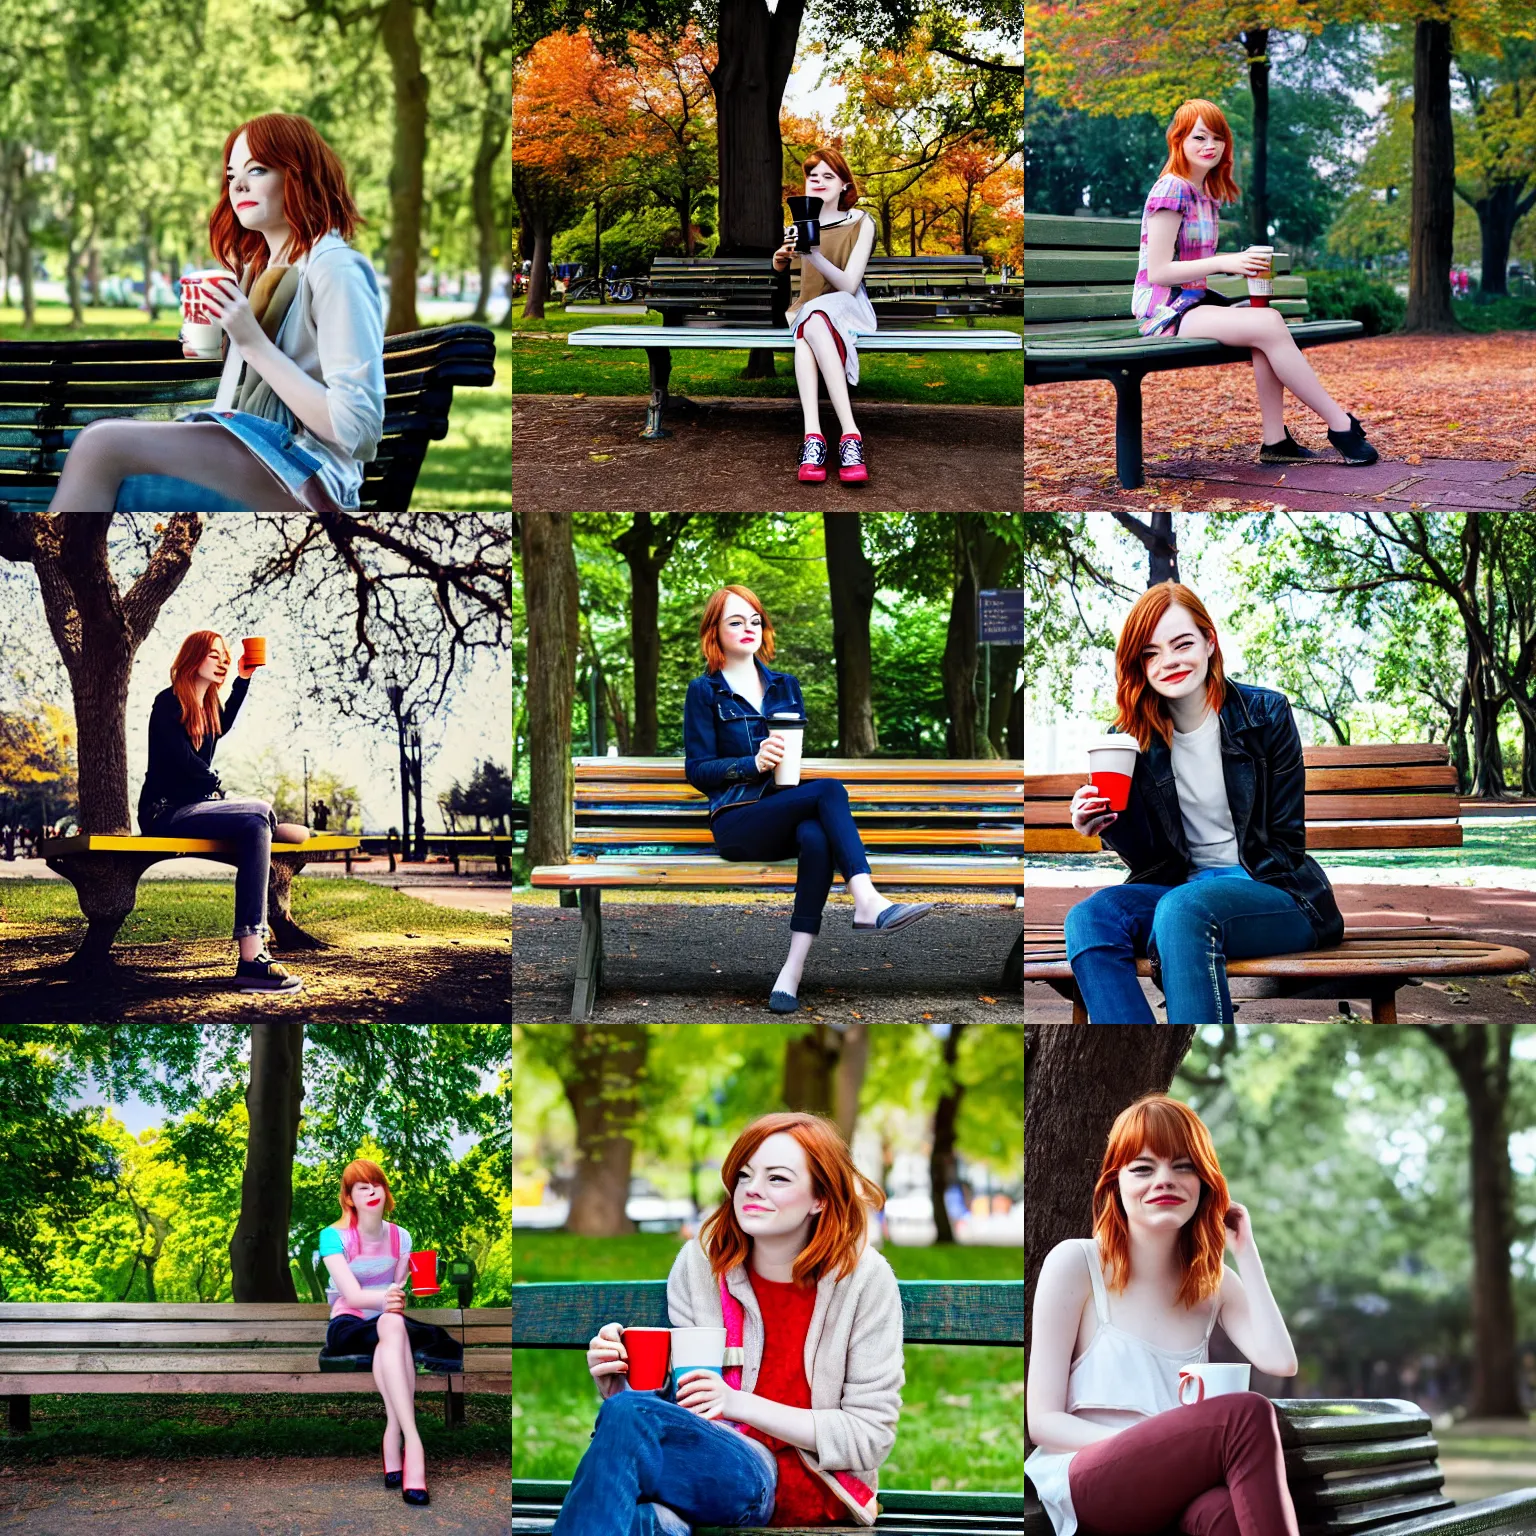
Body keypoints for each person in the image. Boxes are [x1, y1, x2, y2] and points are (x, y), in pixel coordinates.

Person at [556, 1111, 904, 1535]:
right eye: (743, 1175)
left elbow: (870, 1436)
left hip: (803, 1489)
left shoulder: (863, 1280)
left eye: (777, 1178)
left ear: (820, 1198)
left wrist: (738, 1403)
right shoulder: (703, 1264)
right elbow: (683, 1409)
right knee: (643, 1513)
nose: (752, 1190)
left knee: (632, 1428)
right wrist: (622, 1388)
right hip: (707, 1474)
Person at [45, 112, 384, 513]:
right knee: (105, 448)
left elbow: (357, 430)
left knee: (101, 445)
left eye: (257, 170)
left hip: (311, 476)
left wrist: (252, 343)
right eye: (230, 175)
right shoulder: (257, 272)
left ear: (300, 175)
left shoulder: (334, 267)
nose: (238, 184)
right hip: (257, 453)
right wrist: (220, 340)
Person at [1063, 580, 1343, 1024]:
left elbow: (1286, 844)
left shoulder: (1266, 715)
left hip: (1277, 892)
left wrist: (1206, 891)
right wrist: (1104, 822)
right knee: (1089, 918)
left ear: (1210, 641)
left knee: (1184, 909)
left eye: (1182, 643)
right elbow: (1149, 860)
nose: (1168, 662)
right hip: (1180, 894)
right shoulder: (1132, 739)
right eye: (1150, 653)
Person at [1026, 1095, 1300, 1536]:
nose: (1165, 1181)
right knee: (1247, 1413)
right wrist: (1162, 1445)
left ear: (1205, 1182)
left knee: (1227, 1518)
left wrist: (1245, 1252)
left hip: (1179, 1483)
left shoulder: (1212, 1284)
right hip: (1090, 1478)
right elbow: (1042, 1423)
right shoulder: (1077, 1263)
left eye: (1184, 1166)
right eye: (1143, 1168)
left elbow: (1280, 1361)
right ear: (1115, 1182)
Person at [683, 585, 931, 1014]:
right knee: (831, 788)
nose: (748, 629)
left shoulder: (785, 686)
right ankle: (867, 899)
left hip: (781, 808)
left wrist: (782, 768)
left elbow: (791, 766)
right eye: (735, 622)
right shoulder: (705, 692)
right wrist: (751, 763)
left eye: (755, 621)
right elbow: (697, 771)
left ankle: (791, 974)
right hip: (737, 820)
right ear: (715, 632)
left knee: (816, 837)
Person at [1132, 99, 1379, 468]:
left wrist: (1238, 266)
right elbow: (1159, 272)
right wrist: (1227, 262)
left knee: (1267, 325)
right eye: (1199, 137)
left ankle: (1275, 441)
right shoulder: (1172, 190)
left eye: (1218, 137)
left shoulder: (1206, 194)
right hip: (1164, 312)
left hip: (1192, 304)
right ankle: (1340, 424)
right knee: (1267, 324)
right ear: (1178, 140)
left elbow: (1194, 266)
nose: (1209, 145)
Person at [136, 630, 312, 994]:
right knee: (259, 810)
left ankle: (252, 957)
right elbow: (179, 758)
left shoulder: (209, 712)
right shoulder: (167, 703)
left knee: (253, 823)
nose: (223, 660)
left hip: (199, 808)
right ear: (193, 657)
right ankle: (267, 820)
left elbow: (225, 720)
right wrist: (216, 782)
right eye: (214, 655)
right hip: (164, 812)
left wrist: (243, 678)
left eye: (225, 656)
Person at [319, 1158, 463, 1508]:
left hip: (388, 1324)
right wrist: (387, 1298)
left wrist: (398, 1295)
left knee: (393, 1325)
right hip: (349, 1325)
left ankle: (392, 1437)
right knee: (393, 1326)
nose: (371, 1191)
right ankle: (412, 1441)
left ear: (385, 1191)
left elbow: (397, 1290)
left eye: (376, 1184)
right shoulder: (332, 1237)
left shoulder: (402, 1236)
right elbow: (352, 1296)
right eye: (361, 1187)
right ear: (349, 1197)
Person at [772, 148, 878, 484]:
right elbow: (788, 269)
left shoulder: (862, 222)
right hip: (807, 310)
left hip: (847, 308)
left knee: (811, 321)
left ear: (844, 184)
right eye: (812, 176)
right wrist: (781, 258)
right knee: (810, 323)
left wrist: (812, 253)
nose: (818, 181)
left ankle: (828, 437)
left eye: (827, 176)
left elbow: (848, 284)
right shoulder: (799, 225)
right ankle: (834, 438)